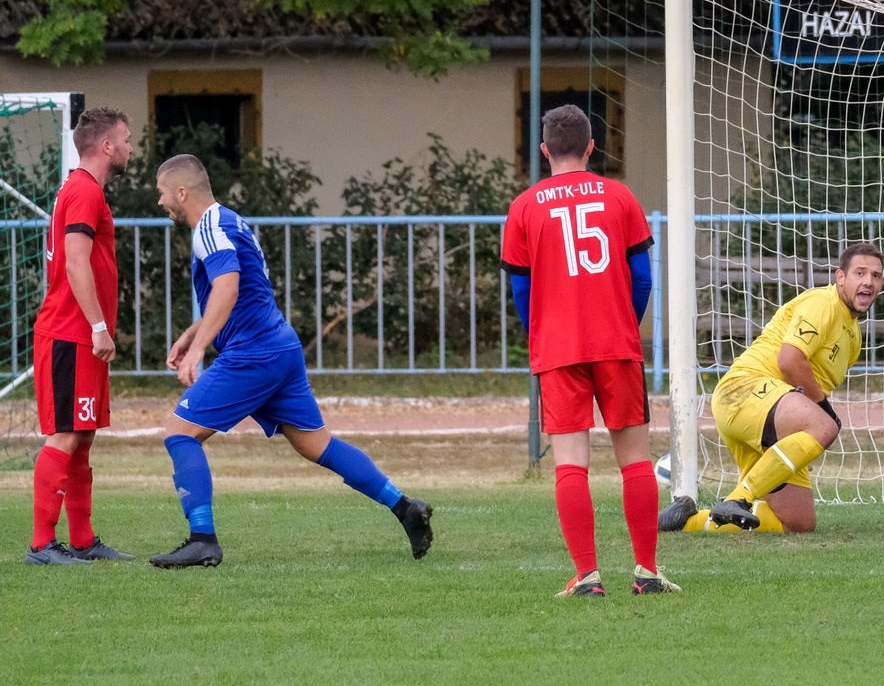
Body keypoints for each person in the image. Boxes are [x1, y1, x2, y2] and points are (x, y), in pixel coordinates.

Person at [150, 154, 433, 568]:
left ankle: (202, 539)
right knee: (316, 445)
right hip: (279, 346)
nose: (159, 202)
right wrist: (194, 334)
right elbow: (243, 292)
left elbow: (228, 289)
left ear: (181, 192)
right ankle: (405, 508)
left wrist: (197, 351)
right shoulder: (230, 221)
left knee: (180, 433)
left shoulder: (208, 228)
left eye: (161, 193)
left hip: (254, 352)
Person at [501, 104, 676, 597]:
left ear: (544, 150)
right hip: (615, 342)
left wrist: (539, 332)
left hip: (559, 348)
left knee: (570, 463)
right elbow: (642, 278)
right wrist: (623, 322)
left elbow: (521, 289)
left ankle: (587, 576)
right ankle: (646, 572)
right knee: (635, 461)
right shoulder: (620, 195)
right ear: (591, 147)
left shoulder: (524, 207)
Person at [659, 243, 884, 535]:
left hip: (768, 413)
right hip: (744, 390)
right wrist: (822, 414)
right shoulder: (823, 304)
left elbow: (809, 385)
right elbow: (790, 360)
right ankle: (738, 497)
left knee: (797, 523)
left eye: (876, 276)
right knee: (825, 425)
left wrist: (802, 439)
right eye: (860, 273)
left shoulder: (853, 336)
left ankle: (683, 522)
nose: (869, 281)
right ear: (840, 277)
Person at [27, 107, 135, 565]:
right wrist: (98, 327)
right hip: (70, 333)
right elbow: (75, 263)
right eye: (126, 139)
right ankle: (41, 544)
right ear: (106, 146)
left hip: (78, 334)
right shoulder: (85, 191)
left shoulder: (80, 188)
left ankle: (83, 540)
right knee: (66, 435)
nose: (130, 148)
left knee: (82, 436)